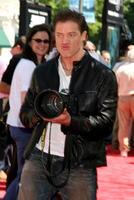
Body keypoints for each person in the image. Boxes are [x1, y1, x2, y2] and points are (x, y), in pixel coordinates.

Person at [18, 9, 118, 200]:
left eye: (71, 35)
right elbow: (25, 115)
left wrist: (70, 121)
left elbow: (106, 124)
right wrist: (41, 113)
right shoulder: (42, 72)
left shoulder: (102, 75)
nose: (64, 41)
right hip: (39, 158)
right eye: (59, 35)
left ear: (83, 36)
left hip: (80, 163)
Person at [3, 23, 51, 200]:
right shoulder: (28, 65)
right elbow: (26, 101)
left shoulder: (34, 64)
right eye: (38, 40)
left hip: (21, 126)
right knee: (26, 175)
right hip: (24, 127)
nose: (42, 44)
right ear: (30, 41)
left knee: (23, 173)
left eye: (46, 41)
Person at [115, 48, 134, 157]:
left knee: (123, 125)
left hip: (122, 97)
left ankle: (124, 150)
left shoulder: (121, 69)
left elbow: (115, 84)